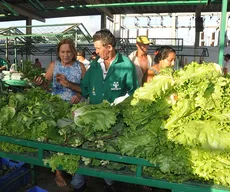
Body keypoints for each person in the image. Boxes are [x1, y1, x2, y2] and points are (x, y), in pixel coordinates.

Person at [70, 29, 139, 192]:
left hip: (114, 122)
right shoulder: (95, 64)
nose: (96, 51)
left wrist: (120, 102)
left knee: (108, 155)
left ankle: (109, 183)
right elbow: (85, 88)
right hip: (93, 118)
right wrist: (70, 87)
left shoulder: (126, 65)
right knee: (85, 149)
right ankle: (78, 184)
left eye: (99, 48)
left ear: (109, 47)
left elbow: (134, 92)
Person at [34, 38, 86, 188]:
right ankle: (58, 171)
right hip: (56, 109)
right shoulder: (53, 65)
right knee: (55, 139)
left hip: (74, 110)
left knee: (72, 139)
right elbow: (45, 86)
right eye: (62, 52)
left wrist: (79, 95)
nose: (65, 54)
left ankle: (72, 167)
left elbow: (86, 89)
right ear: (58, 52)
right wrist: (40, 83)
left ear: (74, 52)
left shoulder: (80, 67)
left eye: (68, 51)